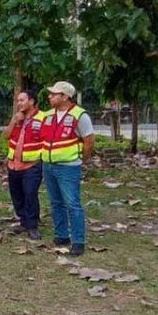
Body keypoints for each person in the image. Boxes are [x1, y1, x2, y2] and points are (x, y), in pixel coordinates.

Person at [39, 81, 95, 256]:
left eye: (54, 94)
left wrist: (82, 159)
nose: (50, 96)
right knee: (56, 202)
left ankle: (78, 241)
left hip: (68, 167)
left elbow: (89, 140)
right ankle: (61, 235)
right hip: (48, 165)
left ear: (65, 97)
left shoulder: (80, 115)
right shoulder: (48, 116)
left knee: (72, 204)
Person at [4, 90, 47, 240]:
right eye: (18, 100)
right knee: (17, 195)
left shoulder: (43, 118)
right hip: (13, 165)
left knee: (30, 194)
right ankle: (23, 221)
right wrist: (13, 121)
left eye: (22, 100)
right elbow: (6, 136)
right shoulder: (17, 118)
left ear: (32, 101)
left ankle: (32, 225)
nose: (19, 103)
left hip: (32, 165)